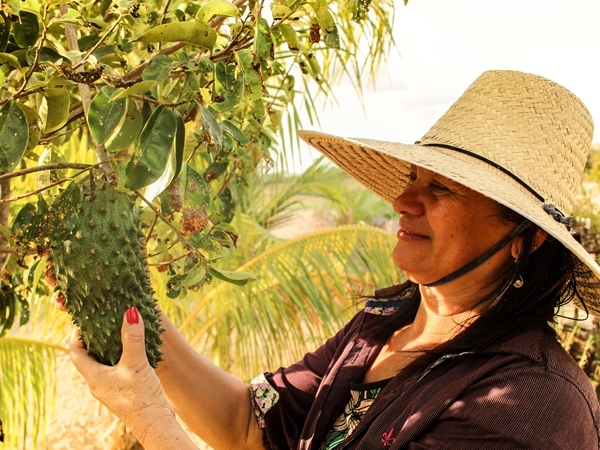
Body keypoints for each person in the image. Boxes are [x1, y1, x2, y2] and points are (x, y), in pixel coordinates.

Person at [56, 70, 600, 449]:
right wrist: (135, 314)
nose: (402, 202)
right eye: (413, 179)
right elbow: (251, 426)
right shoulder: (383, 325)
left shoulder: (532, 405)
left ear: (525, 239)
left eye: (444, 191)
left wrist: (150, 419)